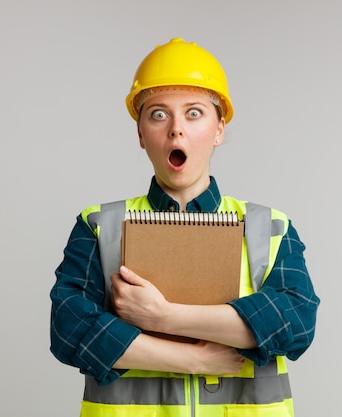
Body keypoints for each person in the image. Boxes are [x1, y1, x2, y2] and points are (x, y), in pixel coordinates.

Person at [50, 37, 320, 417]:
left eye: (194, 113)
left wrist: (162, 317)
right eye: (158, 114)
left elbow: (295, 323)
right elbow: (69, 328)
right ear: (141, 134)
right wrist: (194, 359)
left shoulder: (269, 228)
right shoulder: (99, 226)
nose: (176, 129)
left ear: (219, 129)